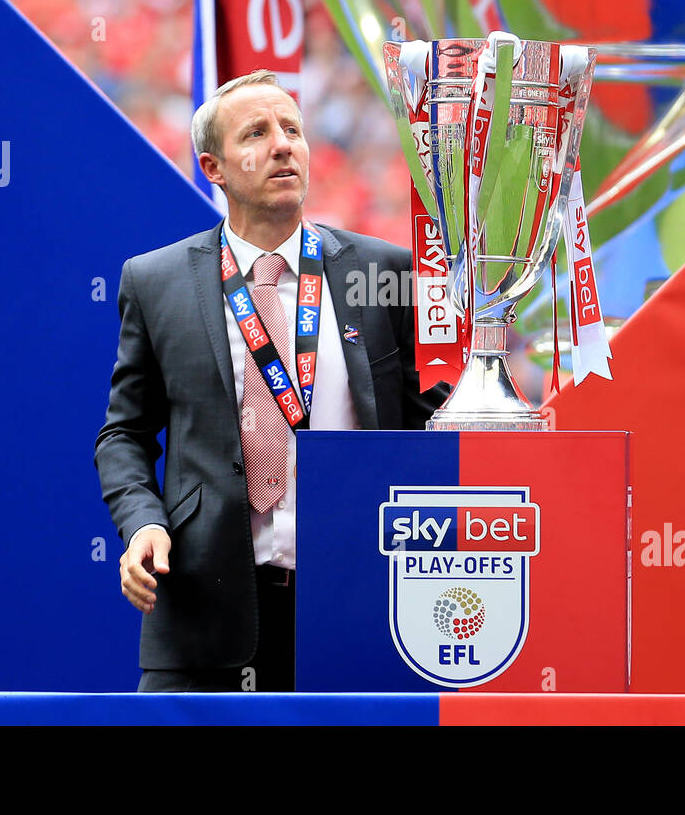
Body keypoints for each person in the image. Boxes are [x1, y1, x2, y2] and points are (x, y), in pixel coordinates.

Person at [94, 69, 446, 692]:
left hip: (362, 606)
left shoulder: (388, 272)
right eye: (256, 133)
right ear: (215, 167)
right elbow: (123, 434)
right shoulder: (155, 281)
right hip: (205, 611)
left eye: (293, 129)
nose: (283, 144)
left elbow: (433, 427)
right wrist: (144, 523)